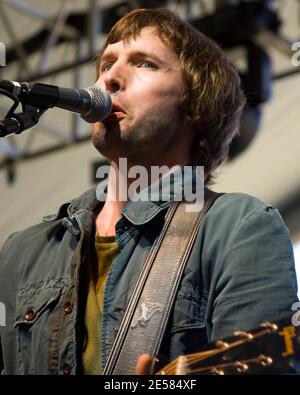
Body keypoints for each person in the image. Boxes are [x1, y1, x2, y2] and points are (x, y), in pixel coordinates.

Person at [0, 8, 298, 376]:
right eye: (107, 62)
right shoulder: (23, 252)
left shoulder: (238, 227)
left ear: (196, 106)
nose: (109, 77)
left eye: (145, 64)